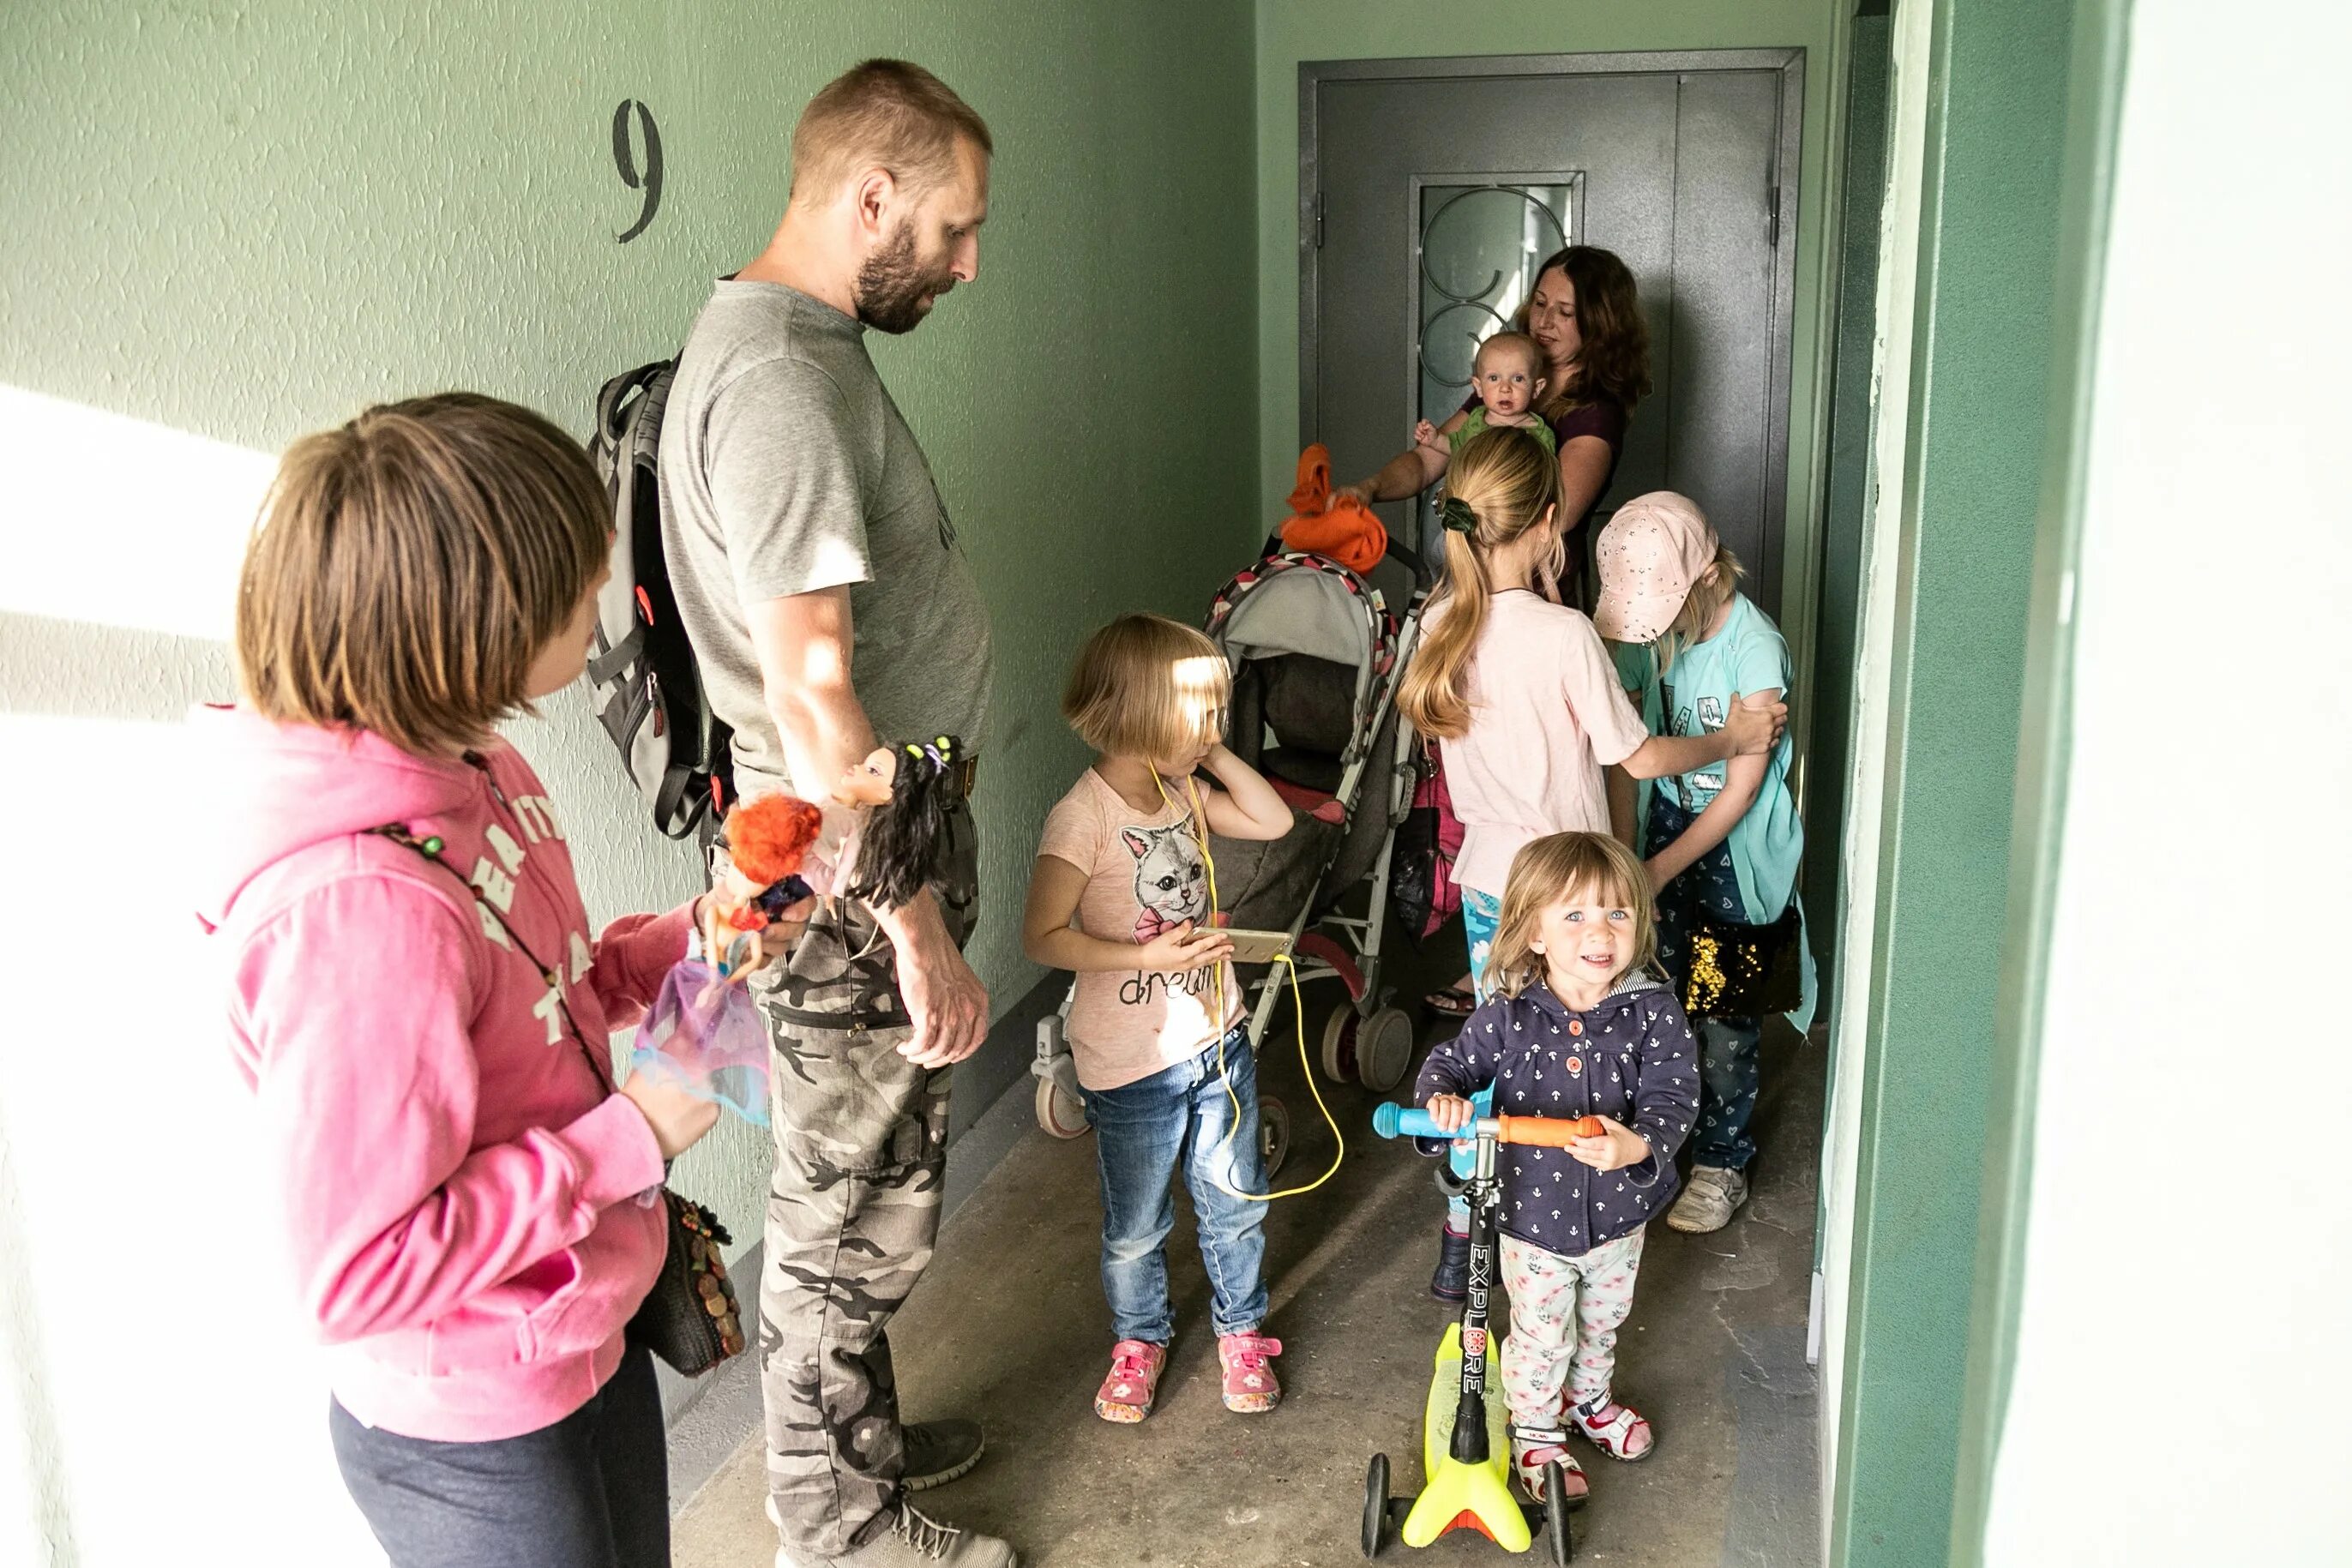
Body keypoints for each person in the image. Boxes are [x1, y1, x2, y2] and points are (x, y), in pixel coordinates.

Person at [197, 395, 731, 1568]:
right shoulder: (355, 913)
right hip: (473, 1420)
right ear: (476, 627)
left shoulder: (476, 759)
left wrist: (696, 936)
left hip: (582, 1324)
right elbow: (353, 1273)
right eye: (583, 589)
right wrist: (626, 1139)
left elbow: (545, 994)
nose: (603, 612)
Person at [655, 58, 1009, 1568]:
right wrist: (914, 921)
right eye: (951, 227)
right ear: (869, 198)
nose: (967, 261)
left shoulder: (791, 344)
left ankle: (848, 1443)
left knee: (860, 1196)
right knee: (843, 1219)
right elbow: (813, 705)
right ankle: (835, 1524)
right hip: (853, 872)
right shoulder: (782, 385)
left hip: (854, 849)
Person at [1393, 427, 1784, 1303]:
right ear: (1547, 519)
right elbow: (1637, 757)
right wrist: (1734, 736)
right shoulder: (1565, 632)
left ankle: (1463, 1238)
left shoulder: (1436, 621)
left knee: (1495, 1057)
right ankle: (1581, 1220)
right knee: (1590, 1052)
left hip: (1493, 883)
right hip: (1572, 892)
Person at [1020, 614, 1295, 1425]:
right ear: (1144, 717)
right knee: (1137, 1224)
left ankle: (1241, 1332)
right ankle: (1140, 1339)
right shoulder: (1084, 819)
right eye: (1203, 714)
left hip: (1217, 1041)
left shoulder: (1184, 794)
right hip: (1131, 1062)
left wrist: (1204, 750)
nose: (1216, 728)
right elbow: (1041, 936)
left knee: (1235, 1200)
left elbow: (1274, 819)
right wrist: (1148, 959)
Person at [1416, 832, 1699, 1508]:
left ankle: (1589, 1399)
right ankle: (1537, 1428)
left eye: (1617, 913)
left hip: (1619, 1216)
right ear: (1534, 933)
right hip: (1532, 1219)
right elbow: (1450, 1066)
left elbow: (1674, 1094)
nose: (1599, 931)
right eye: (1574, 915)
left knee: (1602, 1320)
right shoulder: (1507, 1019)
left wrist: (1638, 1145)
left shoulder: (1652, 1013)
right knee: (1543, 1331)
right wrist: (1441, 1103)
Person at [1595, 494, 1809, 1236]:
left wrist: (1657, 870)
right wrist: (1628, 855)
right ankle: (1656, 1136)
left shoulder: (1756, 646)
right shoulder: (1642, 636)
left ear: (1708, 575)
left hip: (1733, 844)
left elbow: (1744, 787)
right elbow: (1626, 755)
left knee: (1725, 1007)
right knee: (1657, 992)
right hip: (1665, 826)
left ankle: (1721, 1159)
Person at [1335, 244, 1651, 610]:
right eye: (1539, 303)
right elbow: (1427, 460)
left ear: (1600, 324)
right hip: (1469, 580)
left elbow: (1558, 517)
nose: (1544, 321)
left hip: (1529, 593)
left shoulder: (1595, 414)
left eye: (1564, 312)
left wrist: (1466, 512)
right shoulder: (1508, 383)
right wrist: (1368, 488)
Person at [1412, 330, 1557, 464]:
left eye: (1518, 379)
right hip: (1471, 491)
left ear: (1536, 389)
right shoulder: (1476, 421)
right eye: (1494, 378)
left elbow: (1549, 479)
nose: (1505, 388)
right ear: (1479, 387)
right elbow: (1459, 447)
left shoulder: (1541, 435)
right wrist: (1436, 440)